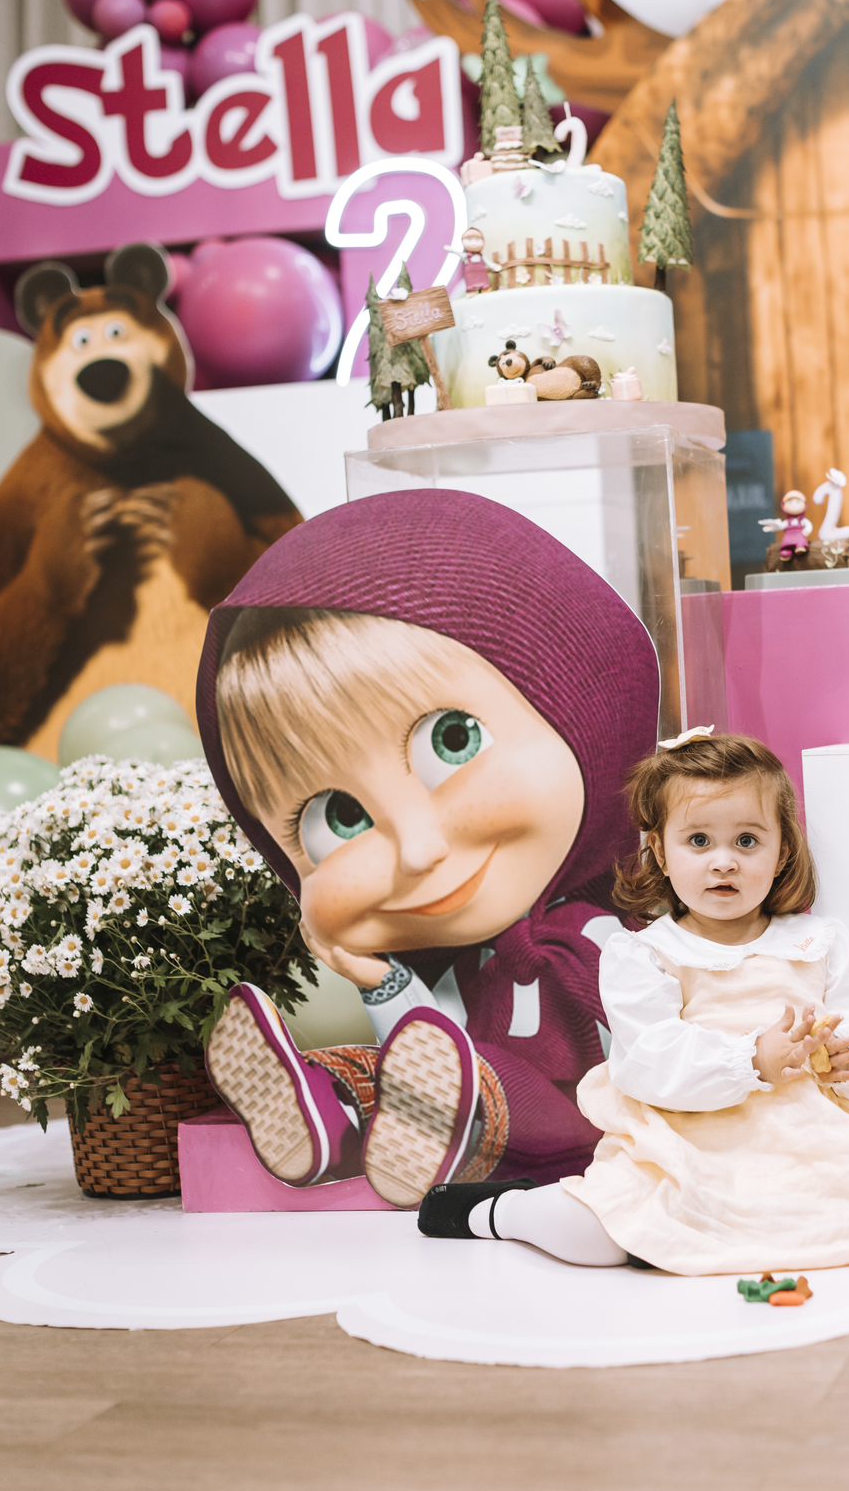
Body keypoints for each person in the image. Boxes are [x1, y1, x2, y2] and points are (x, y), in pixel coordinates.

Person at [418, 731, 849, 1273]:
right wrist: (751, 1059)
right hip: (690, 1134)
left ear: (781, 852)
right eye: (699, 841)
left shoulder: (819, 942)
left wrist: (846, 1060)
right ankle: (500, 1209)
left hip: (813, 1129)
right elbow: (649, 1060)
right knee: (599, 1239)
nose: (723, 863)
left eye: (747, 841)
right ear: (660, 851)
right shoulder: (644, 953)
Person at [195, 488, 660, 1207]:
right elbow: (423, 1038)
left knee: (473, 1080)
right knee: (393, 1067)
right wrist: (375, 978)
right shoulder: (455, 968)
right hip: (451, 1086)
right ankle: (322, 1109)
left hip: (580, 1117)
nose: (416, 850)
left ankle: (449, 1116)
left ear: (586, 706)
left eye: (453, 741)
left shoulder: (607, 942)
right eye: (339, 818)